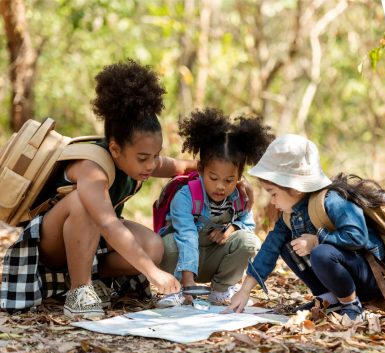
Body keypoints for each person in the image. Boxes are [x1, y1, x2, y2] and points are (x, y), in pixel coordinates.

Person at [0, 60, 248, 318]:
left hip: (91, 245)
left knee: (154, 246)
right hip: (51, 247)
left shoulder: (137, 162)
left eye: (155, 156)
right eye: (143, 158)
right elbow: (109, 224)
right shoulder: (91, 168)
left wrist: (229, 178)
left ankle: (95, 282)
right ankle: (79, 290)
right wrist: (153, 274)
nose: (151, 165)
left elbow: (181, 166)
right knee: (82, 203)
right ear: (116, 148)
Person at [224, 134, 385, 321]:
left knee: (321, 252)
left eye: (273, 193)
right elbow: (270, 248)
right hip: (339, 278)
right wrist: (245, 291)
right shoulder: (289, 214)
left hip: (366, 279)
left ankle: (351, 305)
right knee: (286, 245)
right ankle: (329, 298)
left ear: (296, 187)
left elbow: (358, 237)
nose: (272, 201)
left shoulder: (333, 201)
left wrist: (318, 240)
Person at [157, 109, 273, 307]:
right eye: (213, 178)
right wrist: (188, 281)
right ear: (201, 169)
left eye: (229, 180)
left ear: (239, 177)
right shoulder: (185, 196)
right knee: (166, 243)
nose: (221, 186)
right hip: (181, 261)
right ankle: (174, 290)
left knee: (249, 241)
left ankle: (221, 289)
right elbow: (186, 235)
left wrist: (231, 230)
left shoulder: (239, 197)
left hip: (213, 258)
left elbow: (248, 225)